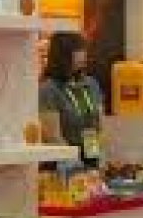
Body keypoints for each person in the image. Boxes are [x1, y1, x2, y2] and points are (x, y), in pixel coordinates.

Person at [39, 32, 105, 167]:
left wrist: (92, 162)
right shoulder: (49, 89)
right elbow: (53, 137)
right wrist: (75, 164)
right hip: (61, 163)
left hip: (88, 159)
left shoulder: (90, 84)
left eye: (83, 48)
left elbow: (93, 126)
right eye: (78, 49)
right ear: (62, 55)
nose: (83, 54)